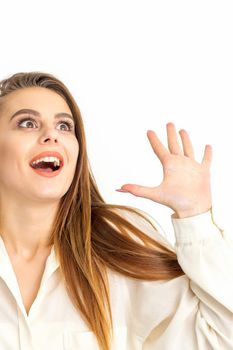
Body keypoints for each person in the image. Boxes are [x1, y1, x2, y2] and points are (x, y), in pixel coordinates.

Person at [0, 71, 232, 350]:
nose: (51, 135)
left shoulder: (119, 243)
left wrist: (195, 217)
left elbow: (220, 339)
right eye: (27, 123)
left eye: (64, 126)